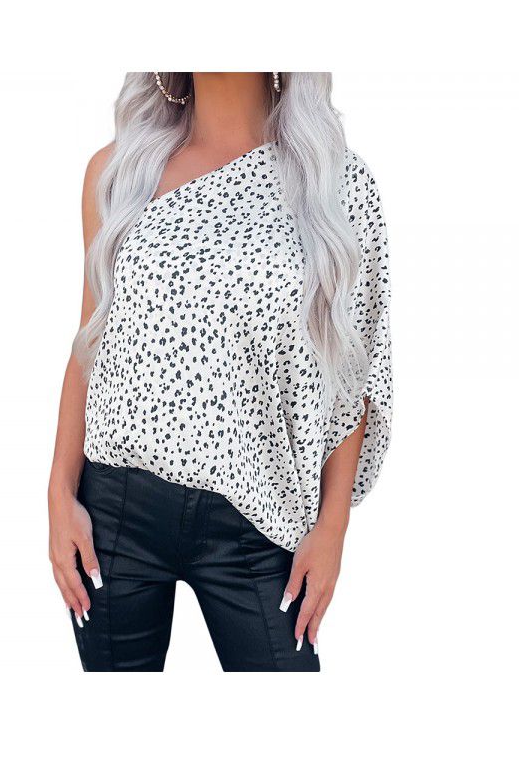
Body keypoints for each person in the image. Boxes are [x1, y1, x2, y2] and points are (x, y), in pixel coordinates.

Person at [48, 72, 392, 671]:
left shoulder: (336, 184)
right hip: (116, 515)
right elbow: (90, 341)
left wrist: (332, 528)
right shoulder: (119, 172)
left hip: (257, 518)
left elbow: (352, 373)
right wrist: (58, 492)